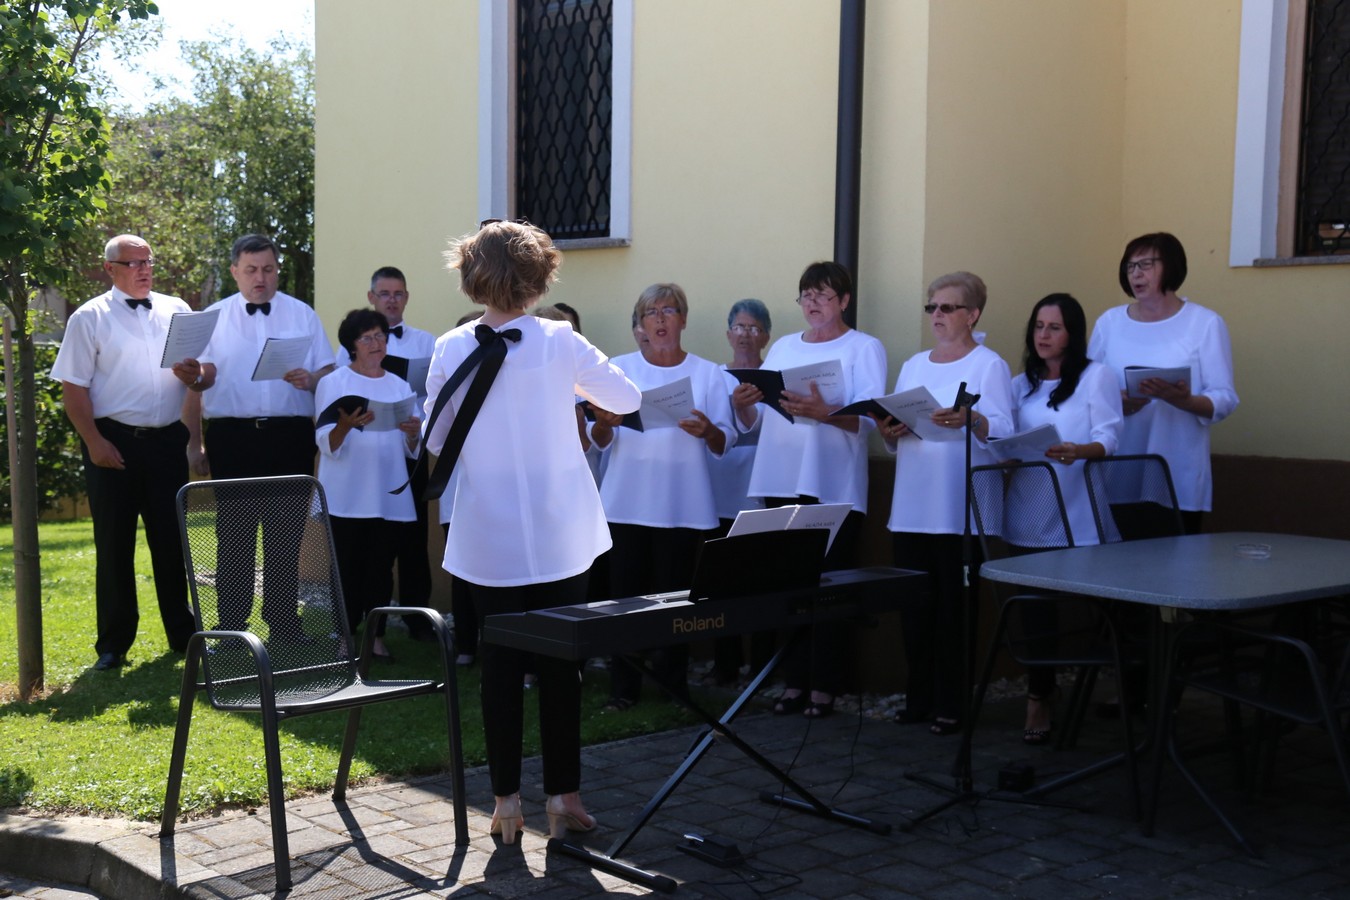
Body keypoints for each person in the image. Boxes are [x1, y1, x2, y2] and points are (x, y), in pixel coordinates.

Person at [424, 220, 640, 845]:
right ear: (542, 278)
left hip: (488, 534)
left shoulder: (449, 347)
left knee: (499, 668)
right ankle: (565, 796)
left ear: (471, 278)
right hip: (560, 533)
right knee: (559, 667)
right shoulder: (561, 341)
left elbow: (438, 439)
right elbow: (624, 399)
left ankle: (505, 805)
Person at [733, 262, 887, 718]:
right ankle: (794, 682)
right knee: (788, 586)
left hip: (830, 484)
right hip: (780, 476)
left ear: (844, 301)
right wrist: (741, 406)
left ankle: (825, 685)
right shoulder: (781, 346)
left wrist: (825, 412)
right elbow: (757, 421)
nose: (814, 303)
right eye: (807, 295)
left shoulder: (864, 348)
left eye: (824, 294)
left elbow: (870, 420)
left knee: (827, 586)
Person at [50, 234, 201, 670]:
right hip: (112, 441)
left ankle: (183, 636)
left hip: (166, 441)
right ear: (109, 269)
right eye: (131, 262)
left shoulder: (178, 310)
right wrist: (94, 442)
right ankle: (114, 645)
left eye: (147, 260)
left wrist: (197, 376)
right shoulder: (89, 317)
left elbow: (202, 378)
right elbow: (73, 389)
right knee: (114, 544)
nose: (142, 268)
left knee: (172, 543)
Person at [878, 271, 1013, 736]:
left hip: (960, 509)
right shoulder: (914, 365)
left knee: (955, 611)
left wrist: (973, 419)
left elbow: (1005, 433)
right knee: (916, 608)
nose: (936, 315)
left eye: (947, 307)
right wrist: (889, 431)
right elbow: (896, 430)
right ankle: (918, 699)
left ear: (972, 314)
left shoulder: (989, 365)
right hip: (913, 505)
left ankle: (952, 703)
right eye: (931, 307)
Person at [589, 284, 736, 710]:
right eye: (650, 312)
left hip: (683, 504)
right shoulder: (618, 369)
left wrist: (707, 430)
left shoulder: (709, 374)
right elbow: (598, 439)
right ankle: (624, 688)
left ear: (683, 320)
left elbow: (724, 442)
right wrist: (605, 423)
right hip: (627, 503)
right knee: (625, 601)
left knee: (677, 603)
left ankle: (674, 687)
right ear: (640, 324)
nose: (659, 319)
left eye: (668, 310)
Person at [188, 234, 334, 635]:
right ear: (234, 271)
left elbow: (328, 369)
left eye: (267, 269)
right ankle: (232, 628)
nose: (260, 278)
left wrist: (311, 378)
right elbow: (199, 380)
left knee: (286, 536)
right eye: (251, 270)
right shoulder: (214, 317)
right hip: (233, 439)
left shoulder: (302, 314)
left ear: (277, 270)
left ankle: (284, 621)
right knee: (233, 537)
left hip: (289, 436)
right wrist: (195, 441)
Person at [1009, 293, 1122, 743]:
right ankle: (1039, 696)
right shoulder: (1021, 384)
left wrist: (1079, 451)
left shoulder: (1096, 377)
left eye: (1054, 327)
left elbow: (1110, 437)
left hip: (1078, 507)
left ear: (1072, 333)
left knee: (1097, 607)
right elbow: (1008, 436)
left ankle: (1114, 684)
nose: (1043, 335)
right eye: (1038, 326)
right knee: (1034, 611)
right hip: (1029, 505)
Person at [1088, 232, 1238, 535]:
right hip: (1120, 471)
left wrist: (1181, 399)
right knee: (1117, 571)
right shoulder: (1110, 323)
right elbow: (1089, 392)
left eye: (1145, 264)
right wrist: (1118, 401)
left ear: (1170, 266)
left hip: (1177, 472)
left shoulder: (1204, 323)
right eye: (1130, 267)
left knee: (1174, 572)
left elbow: (1224, 398)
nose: (1136, 274)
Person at [316, 308, 421, 661]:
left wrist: (412, 434)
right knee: (345, 567)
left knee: (380, 569)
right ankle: (344, 637)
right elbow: (325, 443)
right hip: (347, 492)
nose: (377, 343)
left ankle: (375, 636)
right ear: (352, 346)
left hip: (388, 492)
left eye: (380, 335)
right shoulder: (334, 383)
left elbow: (412, 450)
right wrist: (346, 425)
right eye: (367, 338)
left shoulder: (399, 385)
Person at [343, 267, 439, 643]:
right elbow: (344, 392)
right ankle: (369, 617)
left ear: (407, 297)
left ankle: (418, 617)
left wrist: (420, 427)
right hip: (369, 451)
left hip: (410, 448)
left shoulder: (426, 342)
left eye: (398, 293)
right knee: (370, 538)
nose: (392, 300)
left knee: (414, 537)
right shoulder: (351, 342)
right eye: (384, 293)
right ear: (371, 298)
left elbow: (436, 395)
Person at [709, 299, 772, 684]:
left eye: (755, 328)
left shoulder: (776, 376)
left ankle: (763, 662)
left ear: (766, 335)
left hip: (761, 485)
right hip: (718, 484)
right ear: (728, 332)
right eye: (740, 327)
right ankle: (725, 662)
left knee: (760, 577)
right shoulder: (714, 376)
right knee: (720, 579)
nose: (746, 335)